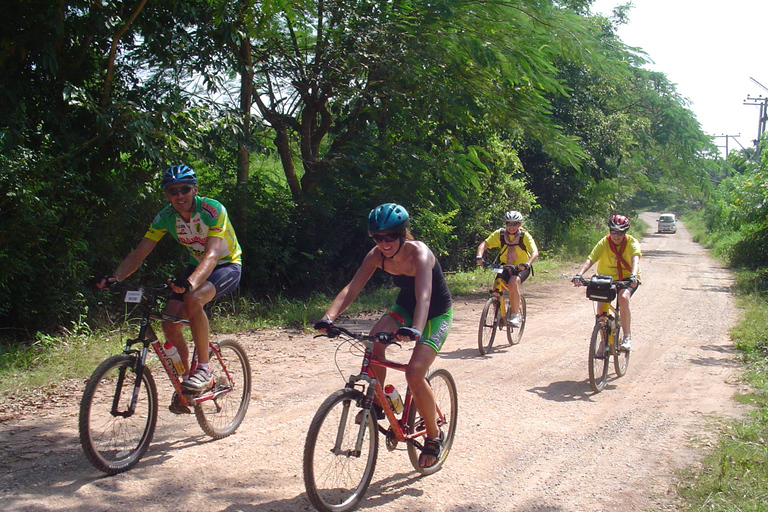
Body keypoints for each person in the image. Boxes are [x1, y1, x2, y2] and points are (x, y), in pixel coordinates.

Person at [314, 203, 453, 468]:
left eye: (390, 236)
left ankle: (434, 437)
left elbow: (424, 296)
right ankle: (378, 403)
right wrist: (329, 317)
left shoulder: (419, 253)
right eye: (378, 237)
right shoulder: (376, 255)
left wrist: (415, 330)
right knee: (374, 342)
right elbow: (351, 289)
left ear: (402, 234)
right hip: (405, 307)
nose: (384, 242)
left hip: (434, 312)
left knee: (414, 372)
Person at [97, 164, 242, 411]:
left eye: (185, 189)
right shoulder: (165, 216)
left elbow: (212, 254)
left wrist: (190, 283)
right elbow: (140, 252)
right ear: (166, 195)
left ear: (195, 189)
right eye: (173, 191)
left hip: (226, 265)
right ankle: (188, 381)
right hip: (196, 266)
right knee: (169, 322)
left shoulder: (212, 209)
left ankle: (205, 369)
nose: (179, 195)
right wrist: (115, 277)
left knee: (194, 298)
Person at [571, 214, 641, 351]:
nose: (616, 236)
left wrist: (633, 276)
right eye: (613, 232)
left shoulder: (632, 243)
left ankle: (627, 337)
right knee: (600, 307)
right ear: (609, 231)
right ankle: (603, 341)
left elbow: (635, 260)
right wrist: (579, 274)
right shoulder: (604, 242)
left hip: (627, 279)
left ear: (625, 232)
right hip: (606, 279)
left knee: (623, 298)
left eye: (620, 233)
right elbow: (590, 259)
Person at [475, 210, 539, 327]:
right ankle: (499, 312)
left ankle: (515, 315)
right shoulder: (500, 234)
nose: (511, 227)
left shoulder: (524, 236)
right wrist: (479, 256)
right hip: (504, 265)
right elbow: (484, 244)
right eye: (508, 223)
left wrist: (527, 264)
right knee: (496, 288)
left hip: (521, 267)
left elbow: (534, 252)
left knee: (513, 283)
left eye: (514, 224)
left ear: (519, 225)